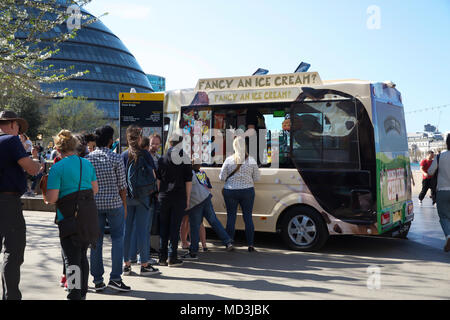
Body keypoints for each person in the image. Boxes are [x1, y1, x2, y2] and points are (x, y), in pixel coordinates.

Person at [44, 130, 98, 300]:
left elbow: (52, 198)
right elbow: (94, 190)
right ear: (75, 147)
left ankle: (74, 295)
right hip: (87, 218)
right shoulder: (86, 164)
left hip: (68, 219)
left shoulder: (57, 167)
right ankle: (82, 294)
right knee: (82, 255)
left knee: (71, 260)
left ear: (58, 149)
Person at [85, 125, 131, 292]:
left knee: (96, 242)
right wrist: (124, 206)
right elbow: (122, 187)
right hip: (114, 204)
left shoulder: (88, 158)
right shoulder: (116, 158)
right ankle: (116, 278)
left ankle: (97, 280)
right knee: (118, 239)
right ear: (111, 140)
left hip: (95, 205)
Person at [0, 111, 40, 300]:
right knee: (14, 252)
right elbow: (32, 168)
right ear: (14, 124)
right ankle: (11, 296)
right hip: (8, 202)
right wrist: (32, 157)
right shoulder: (10, 141)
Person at [121, 126, 160, 275]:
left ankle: (126, 265)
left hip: (128, 197)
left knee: (127, 230)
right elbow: (153, 176)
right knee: (143, 231)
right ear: (139, 139)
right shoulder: (145, 154)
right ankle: (144, 264)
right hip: (144, 197)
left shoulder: (124, 155)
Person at [155, 130, 192, 267]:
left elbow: (158, 180)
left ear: (170, 143)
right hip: (179, 196)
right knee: (175, 227)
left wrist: (160, 193)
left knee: (163, 227)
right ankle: (172, 256)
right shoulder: (185, 158)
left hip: (164, 196)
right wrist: (188, 199)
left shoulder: (162, 159)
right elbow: (188, 181)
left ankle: (162, 257)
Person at [182, 163, 233, 260]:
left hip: (195, 202)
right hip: (205, 197)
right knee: (214, 221)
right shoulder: (193, 171)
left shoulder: (183, 173)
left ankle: (193, 251)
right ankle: (228, 242)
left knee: (195, 226)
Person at [220, 136, 260, 252]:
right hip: (247, 191)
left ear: (234, 146)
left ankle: (229, 243)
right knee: (248, 217)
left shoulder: (229, 160)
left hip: (231, 191)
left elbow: (221, 177)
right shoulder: (251, 160)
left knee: (231, 217)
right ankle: (251, 245)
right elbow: (257, 178)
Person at [428, 135, 450, 252]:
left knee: (444, 217)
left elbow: (430, 171)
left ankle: (448, 236)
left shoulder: (440, 156)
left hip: (443, 190)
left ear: (447, 143)